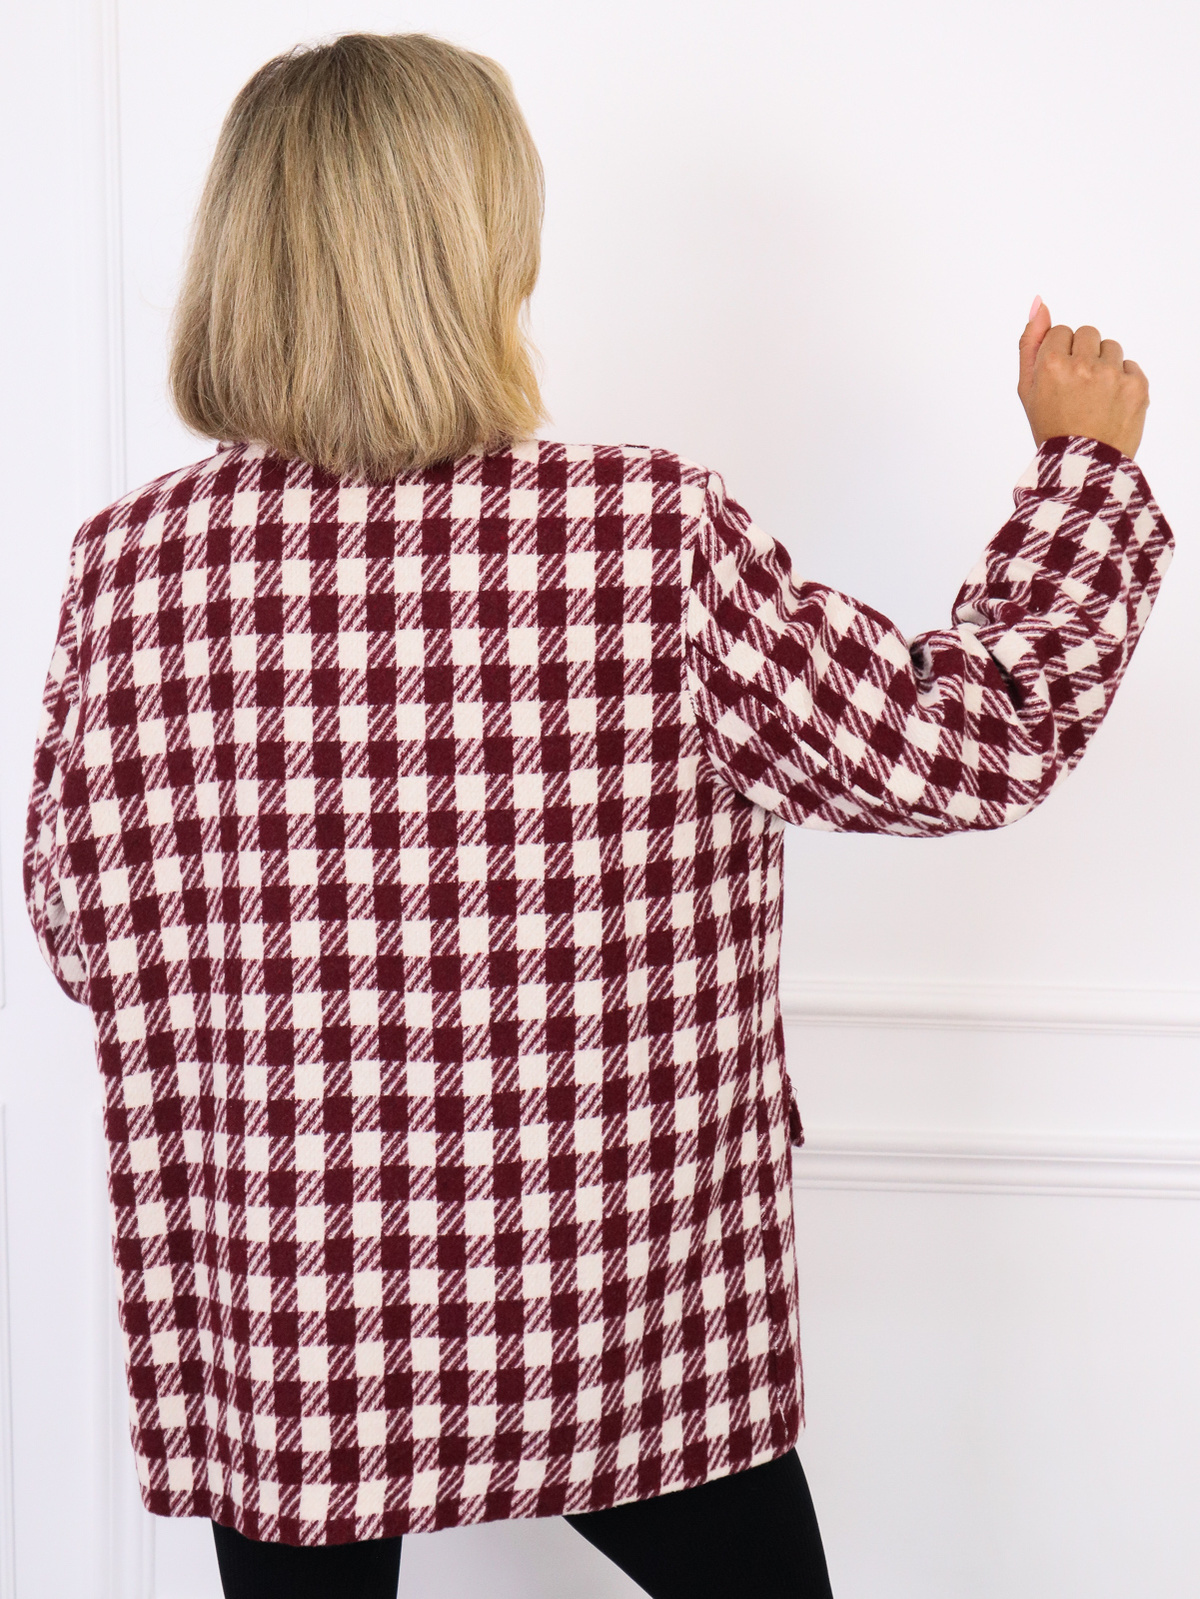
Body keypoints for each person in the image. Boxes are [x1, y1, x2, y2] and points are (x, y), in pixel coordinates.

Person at [23, 30, 1169, 1599]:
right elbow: (970, 739)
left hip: (295, 1304)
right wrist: (1084, 473)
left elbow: (82, 924)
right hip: (617, 1289)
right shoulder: (645, 536)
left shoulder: (131, 576)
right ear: (476, 250)